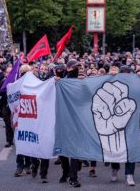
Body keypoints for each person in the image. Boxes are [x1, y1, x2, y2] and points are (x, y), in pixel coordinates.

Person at [58, 59, 81, 188]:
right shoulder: (62, 81)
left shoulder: (80, 82)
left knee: (74, 150)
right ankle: (65, 172)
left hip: (76, 120)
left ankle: (73, 177)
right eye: (74, 67)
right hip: (63, 120)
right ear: (68, 68)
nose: (76, 69)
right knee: (63, 149)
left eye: (78, 67)